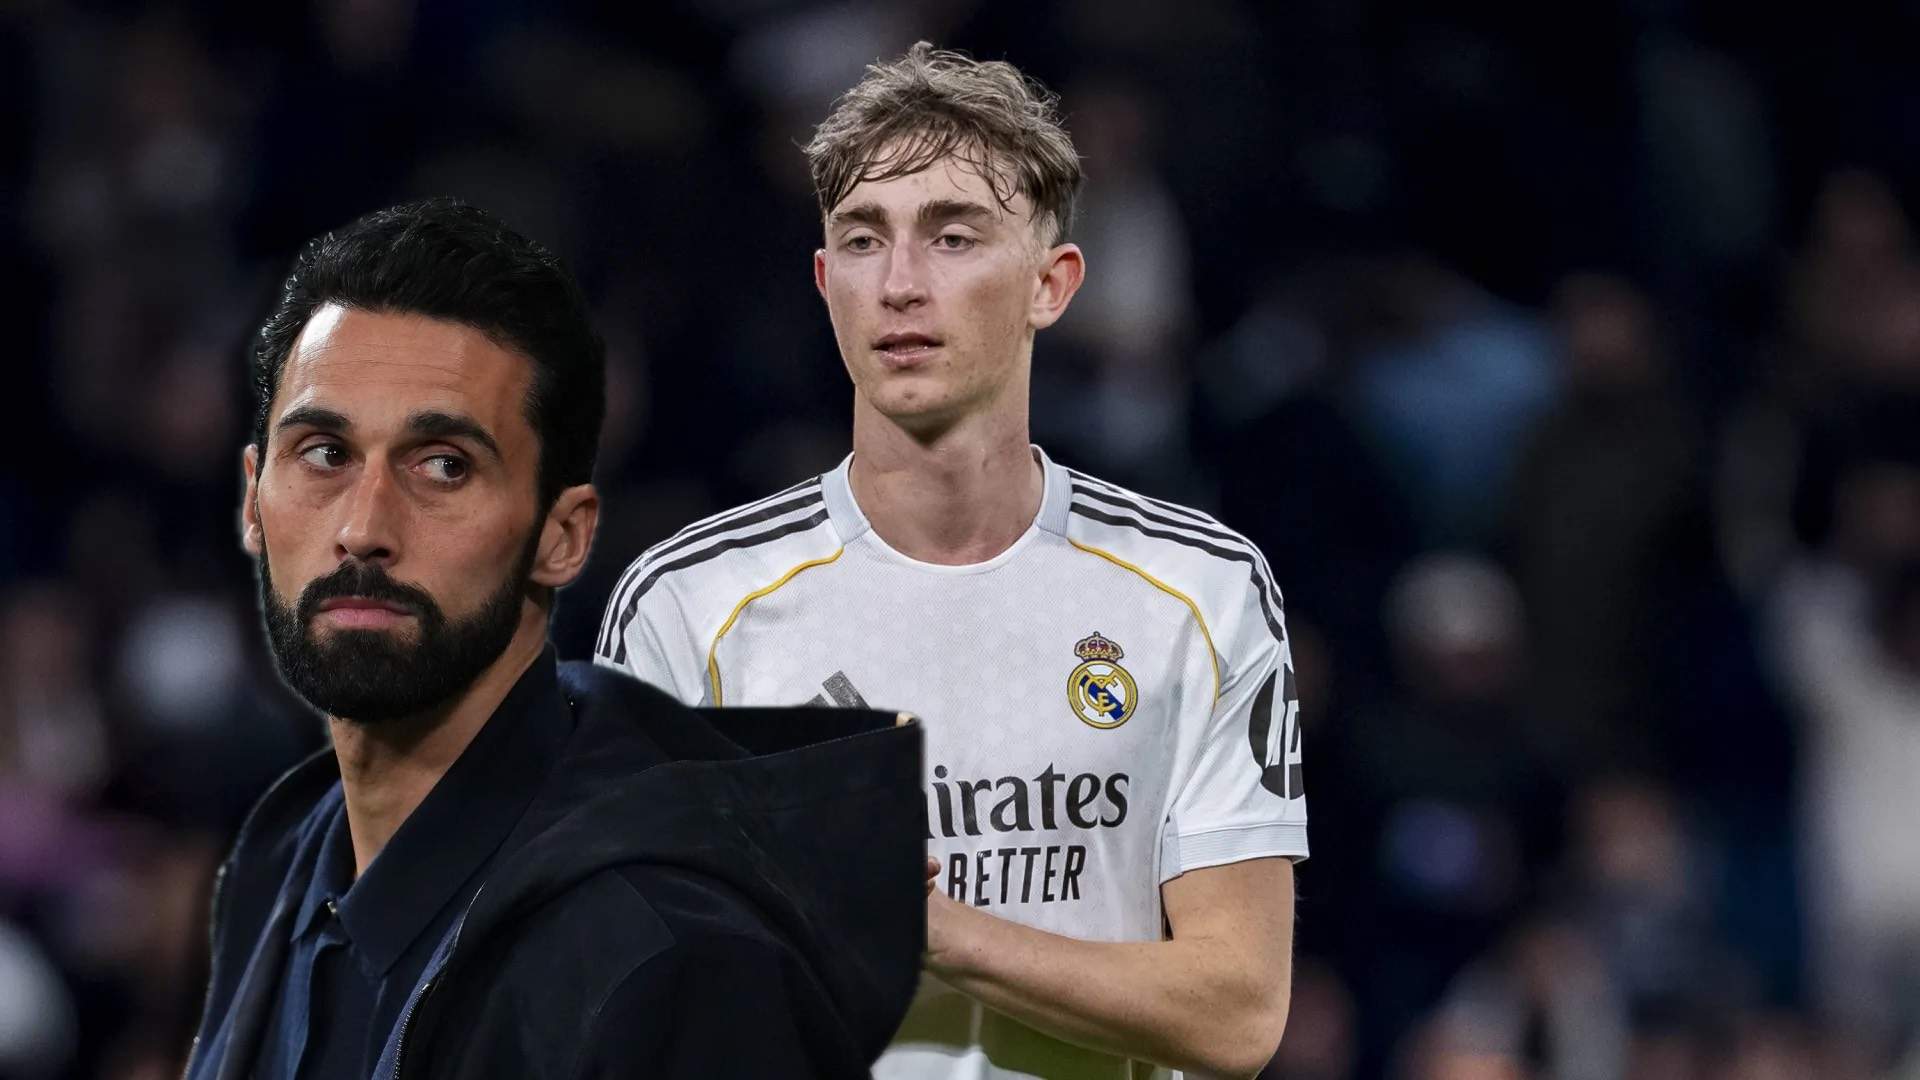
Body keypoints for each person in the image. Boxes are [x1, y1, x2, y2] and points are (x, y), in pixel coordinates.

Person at [597, 44, 1306, 1079]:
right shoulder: (691, 606)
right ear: (825, 283)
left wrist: (925, 929)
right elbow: (634, 1002)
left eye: (953, 236)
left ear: (1050, 285)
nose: (899, 284)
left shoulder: (1200, 589)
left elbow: (1236, 1013)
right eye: (862, 240)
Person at [185, 197, 925, 1080]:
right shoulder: (282, 860)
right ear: (253, 499)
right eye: (324, 453)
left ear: (562, 536)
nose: (362, 529)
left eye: (444, 466)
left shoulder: (672, 962)